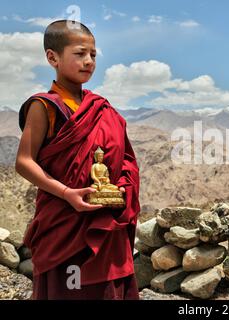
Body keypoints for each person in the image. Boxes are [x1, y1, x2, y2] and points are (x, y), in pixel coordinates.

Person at [15, 20, 141, 300]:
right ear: (53, 57)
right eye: (80, 53)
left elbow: (126, 161)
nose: (88, 61)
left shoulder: (102, 108)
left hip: (104, 222)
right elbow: (24, 161)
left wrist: (122, 186)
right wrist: (67, 193)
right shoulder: (44, 106)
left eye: (93, 55)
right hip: (65, 222)